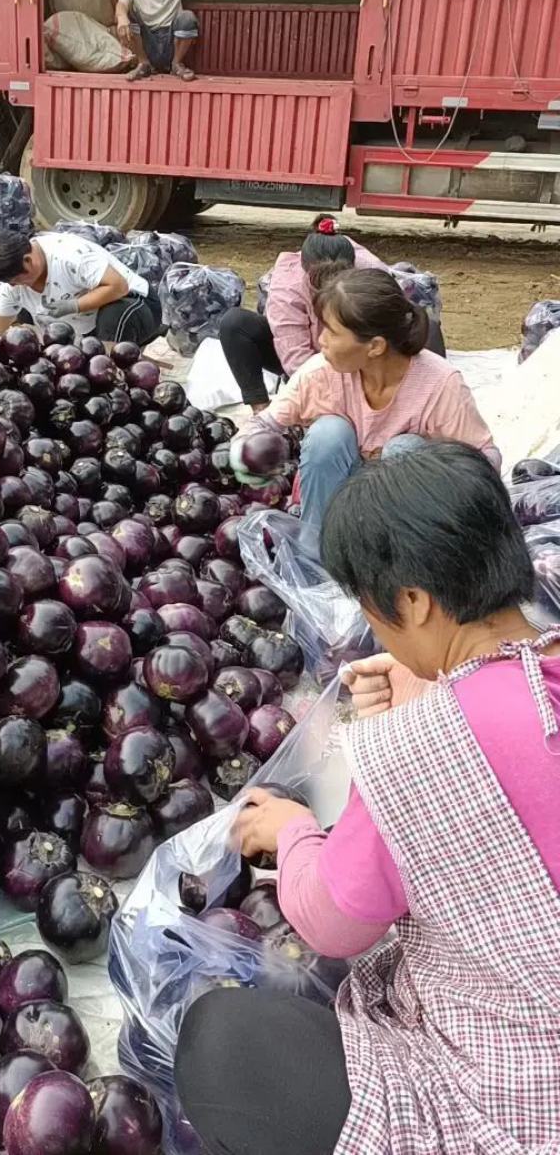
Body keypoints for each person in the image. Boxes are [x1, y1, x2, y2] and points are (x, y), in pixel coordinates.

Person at [176, 441, 560, 1155]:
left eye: (372, 611)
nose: (372, 631)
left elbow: (333, 922)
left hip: (530, 1095)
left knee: (224, 1041)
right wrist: (434, 689)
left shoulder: (427, 746)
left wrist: (292, 833)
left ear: (413, 601)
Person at [229, 266, 497, 541]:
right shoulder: (320, 373)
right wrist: (244, 453)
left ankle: (395, 561)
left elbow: (485, 457)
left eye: (332, 333)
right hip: (336, 499)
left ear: (375, 346)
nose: (321, 342)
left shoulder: (439, 383)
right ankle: (317, 553)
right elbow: (264, 423)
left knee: (405, 451)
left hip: (407, 516)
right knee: (328, 433)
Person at [220, 215, 388, 411]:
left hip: (359, 355)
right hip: (308, 360)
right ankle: (261, 409)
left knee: (420, 320)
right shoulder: (288, 286)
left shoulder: (371, 274)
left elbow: (392, 330)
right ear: (306, 272)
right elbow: (295, 358)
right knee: (235, 323)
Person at [0, 227, 163, 346]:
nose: (15, 286)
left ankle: (110, 367)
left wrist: (74, 305)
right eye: (10, 283)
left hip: (138, 304)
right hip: (82, 325)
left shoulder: (70, 255)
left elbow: (118, 286)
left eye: (17, 280)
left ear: (28, 261)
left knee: (115, 312)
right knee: (19, 310)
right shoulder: (13, 282)